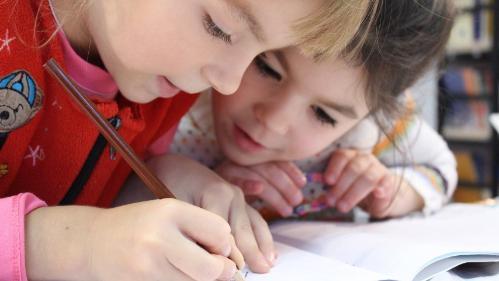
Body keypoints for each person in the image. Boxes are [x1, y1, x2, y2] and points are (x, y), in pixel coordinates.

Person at [0, 0, 379, 280]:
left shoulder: (165, 87)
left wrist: (158, 179)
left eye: (261, 54)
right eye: (220, 28)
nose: (228, 82)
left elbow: (85, 191)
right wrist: (76, 247)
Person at [166, 0, 457, 221]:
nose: (274, 121)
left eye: (323, 115)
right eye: (267, 68)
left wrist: (396, 191)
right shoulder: (174, 95)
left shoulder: (370, 133)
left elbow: (441, 167)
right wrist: (190, 184)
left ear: (370, 115)